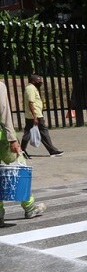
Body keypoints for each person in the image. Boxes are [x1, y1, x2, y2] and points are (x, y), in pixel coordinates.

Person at [0, 81, 45, 226]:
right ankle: (29, 207)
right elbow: (4, 112)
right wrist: (13, 139)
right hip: (2, 139)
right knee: (20, 168)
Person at [21, 74, 64, 158]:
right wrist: (35, 116)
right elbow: (31, 103)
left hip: (34, 115)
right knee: (41, 132)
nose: (40, 82)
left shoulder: (32, 88)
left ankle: (21, 150)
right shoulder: (30, 89)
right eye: (39, 81)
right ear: (33, 81)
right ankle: (52, 151)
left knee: (30, 132)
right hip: (35, 115)